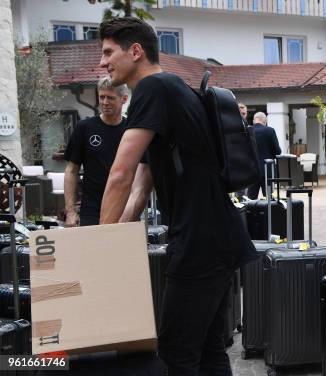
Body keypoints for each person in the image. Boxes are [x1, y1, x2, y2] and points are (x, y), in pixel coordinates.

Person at [97, 17, 256, 375]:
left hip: (200, 242)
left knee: (176, 353)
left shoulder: (154, 90)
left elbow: (120, 173)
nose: (102, 63)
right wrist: (117, 234)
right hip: (216, 237)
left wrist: (96, 249)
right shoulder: (172, 90)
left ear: (135, 51)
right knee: (207, 348)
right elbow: (142, 182)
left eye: (108, 52)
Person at [63, 76, 151, 226]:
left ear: (124, 99)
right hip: (91, 210)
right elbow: (71, 170)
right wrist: (70, 211)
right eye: (101, 97)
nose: (104, 102)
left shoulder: (134, 130)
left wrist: (133, 208)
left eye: (110, 98)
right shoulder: (84, 128)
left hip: (125, 208)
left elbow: (143, 173)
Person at [247, 112, 281, 200]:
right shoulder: (270, 131)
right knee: (269, 199)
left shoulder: (247, 131)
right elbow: (277, 151)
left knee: (250, 198)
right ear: (265, 121)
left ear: (254, 120)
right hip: (267, 169)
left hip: (252, 169)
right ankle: (268, 214)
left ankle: (251, 214)